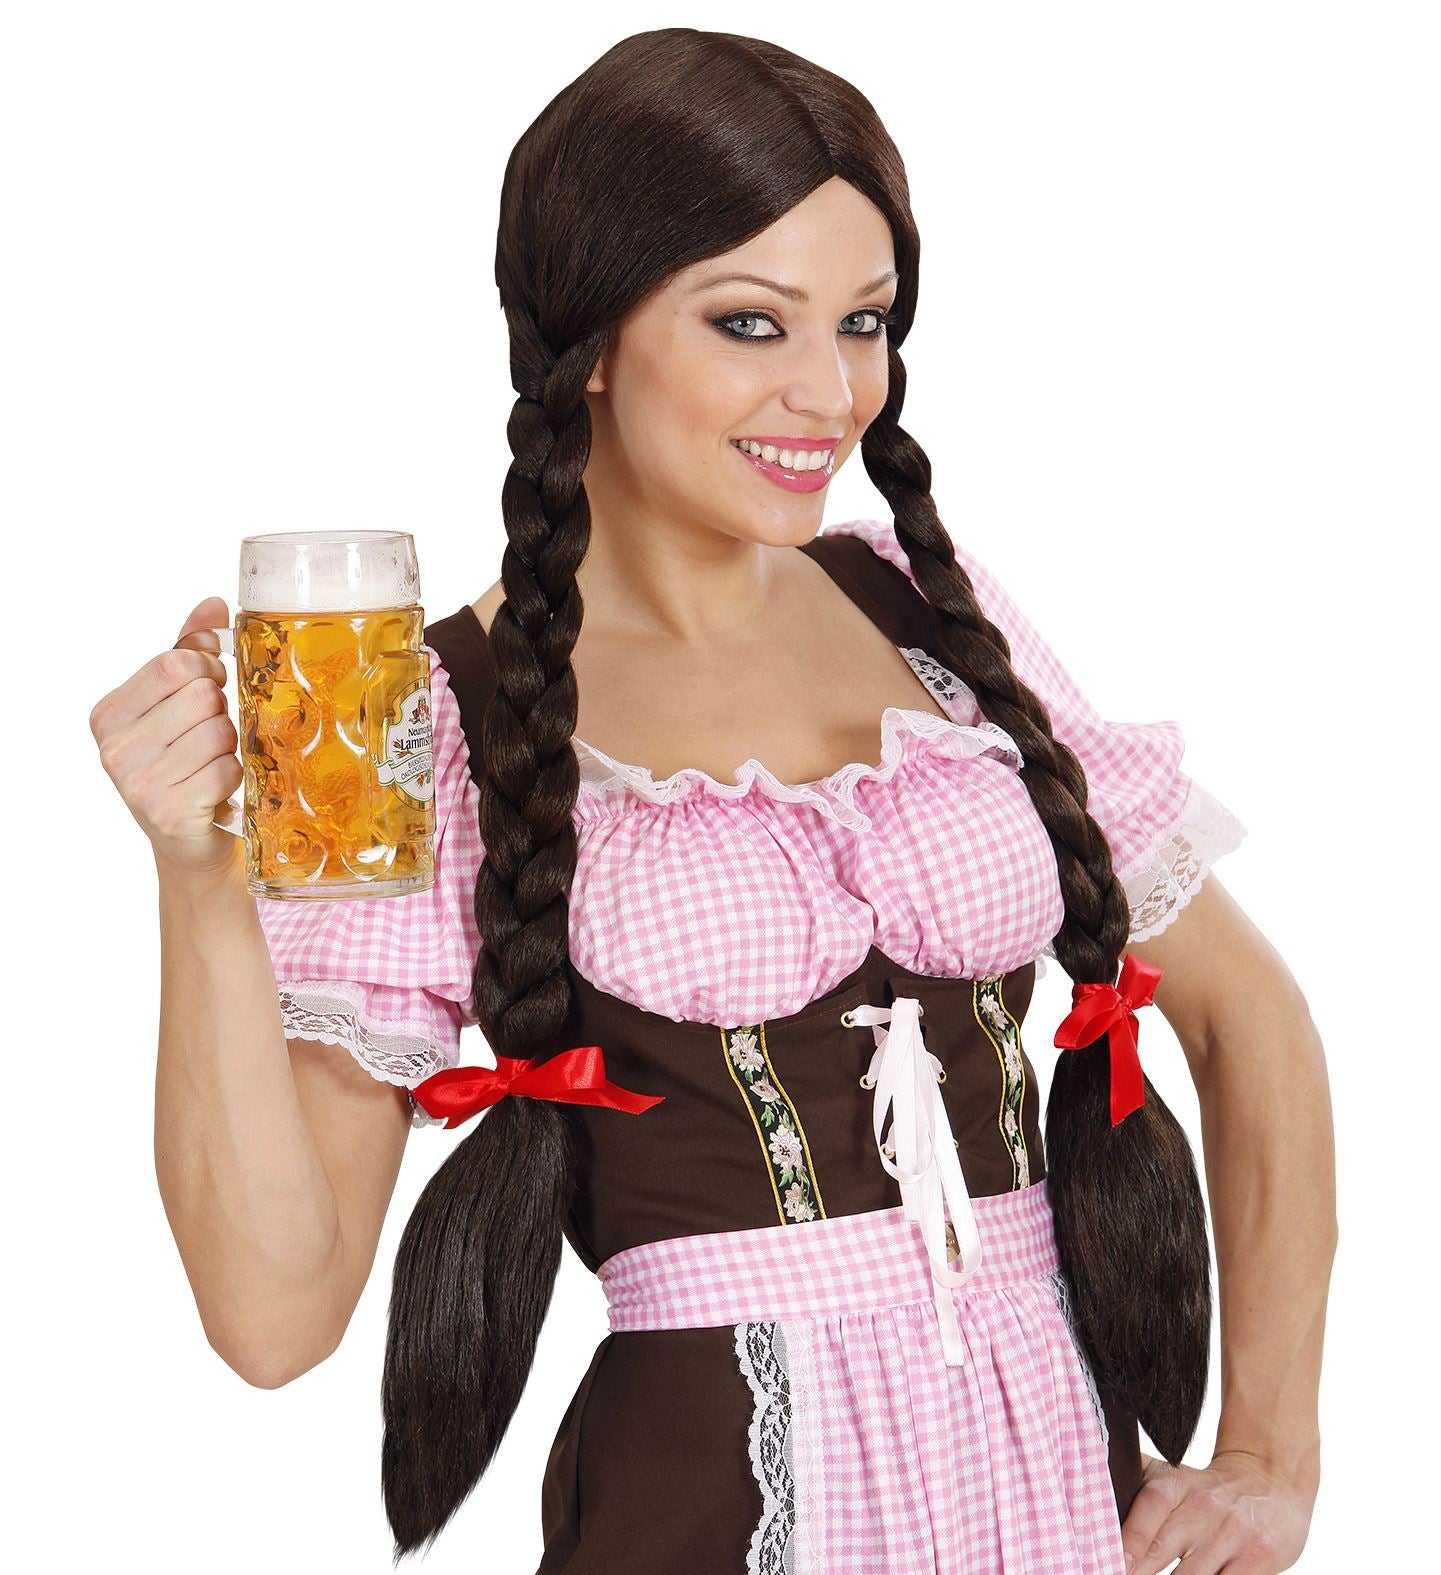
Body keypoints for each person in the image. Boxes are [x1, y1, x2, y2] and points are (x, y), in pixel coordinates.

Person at [91, 28, 1335, 1575]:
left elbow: (1247, 1016)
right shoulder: (436, 717)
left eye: (862, 321)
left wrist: (1270, 1454)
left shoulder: (923, 610)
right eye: (751, 322)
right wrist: (201, 885)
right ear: (590, 341)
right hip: (713, 1506)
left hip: (1053, 1486)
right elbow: (275, 1316)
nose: (829, 392)